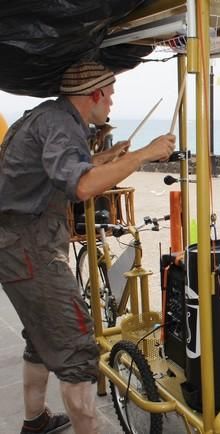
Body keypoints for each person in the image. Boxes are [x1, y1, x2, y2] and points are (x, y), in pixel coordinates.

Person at [0, 61, 176, 434]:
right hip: (29, 245)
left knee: (43, 334)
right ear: (94, 94)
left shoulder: (48, 116)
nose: (111, 102)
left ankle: (36, 421)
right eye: (109, 95)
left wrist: (113, 157)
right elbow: (81, 186)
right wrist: (142, 156)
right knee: (77, 348)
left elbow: (57, 169)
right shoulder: (62, 124)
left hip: (14, 243)